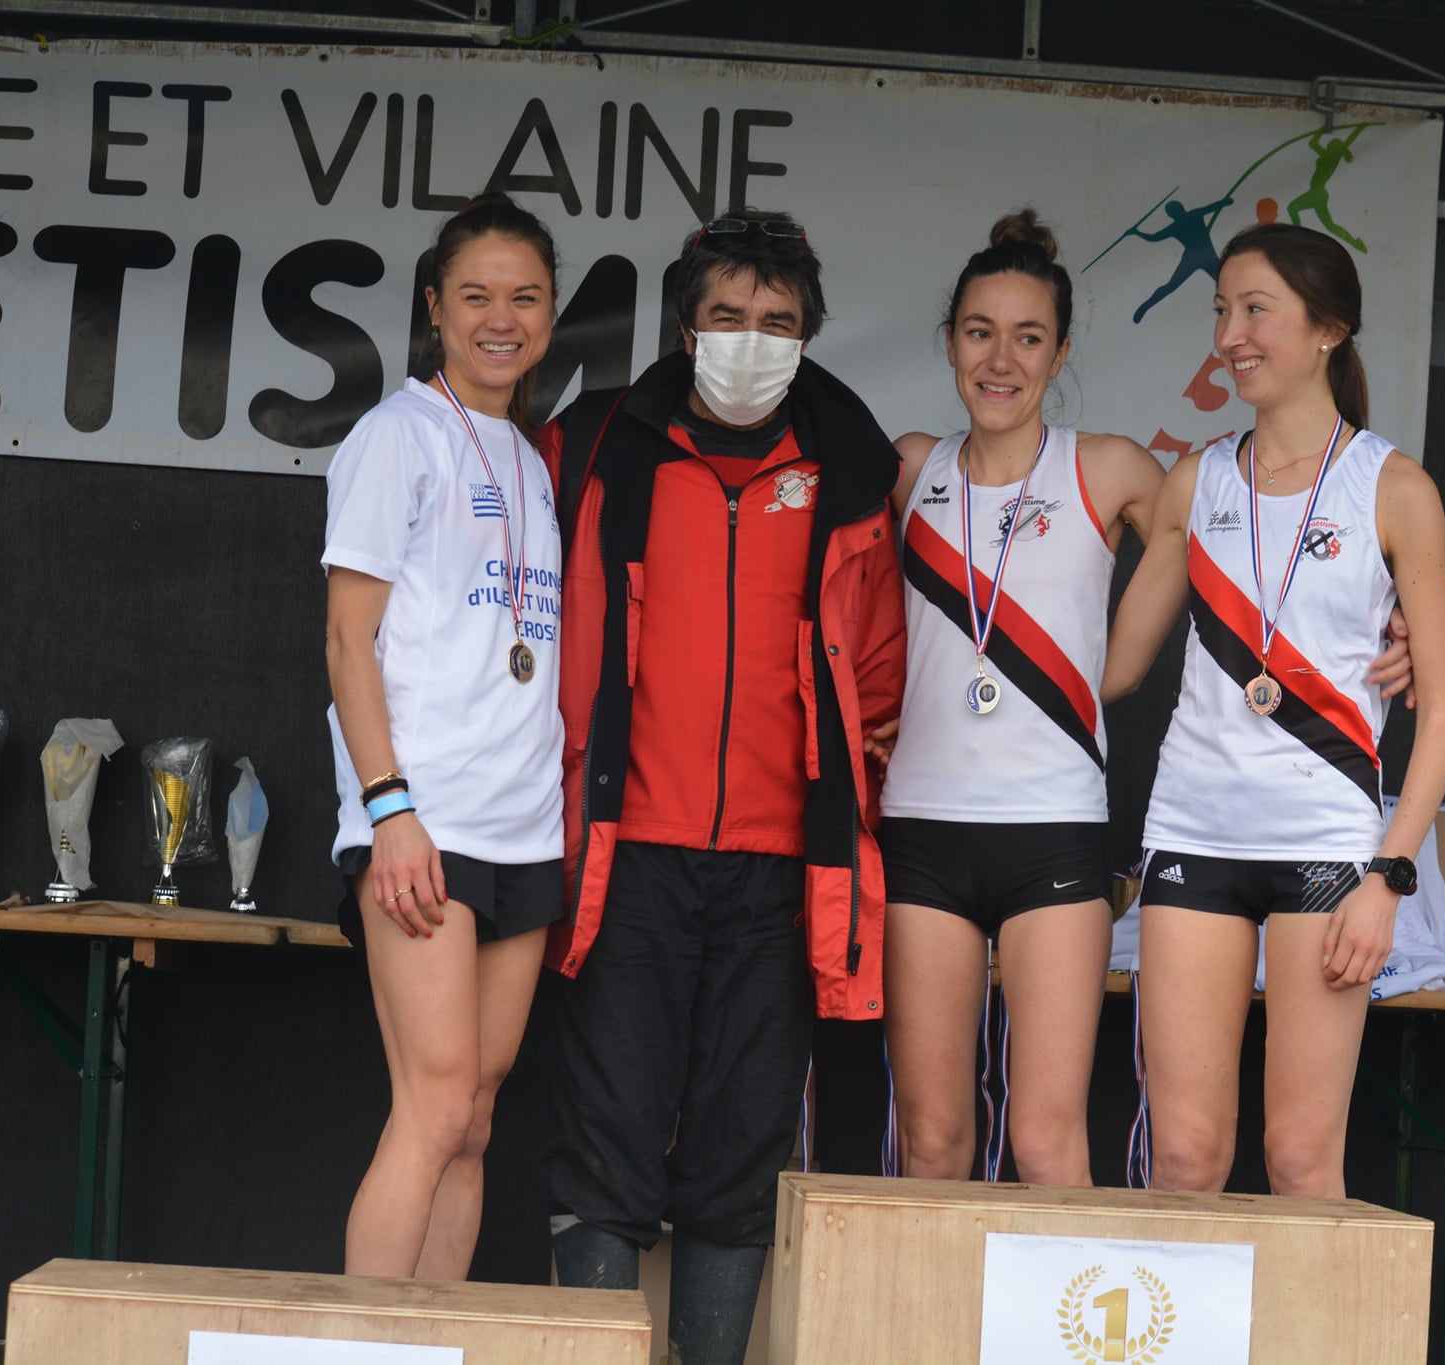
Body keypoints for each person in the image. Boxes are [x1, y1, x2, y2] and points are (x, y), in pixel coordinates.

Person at [538, 209, 905, 1365]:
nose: (752, 340)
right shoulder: (591, 445)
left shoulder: (848, 466)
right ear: (683, 325)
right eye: (728, 318)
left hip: (778, 874)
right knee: (605, 1146)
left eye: (778, 323)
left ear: (809, 336)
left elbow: (880, 675)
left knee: (742, 1155)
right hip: (625, 856)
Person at [1103, 222, 1445, 1199]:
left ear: (1326, 330)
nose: (1229, 333)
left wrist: (1387, 876)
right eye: (1220, 310)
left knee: (1301, 1162)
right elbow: (1109, 669)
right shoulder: (1197, 476)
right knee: (1182, 1160)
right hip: (1192, 836)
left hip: (1326, 850)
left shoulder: (1392, 488)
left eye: (1254, 308)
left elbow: (1443, 715)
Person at [879, 210, 1166, 1187]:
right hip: (919, 826)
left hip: (1051, 830)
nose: (999, 359)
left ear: (1060, 351)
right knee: (933, 1143)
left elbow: (1242, 544)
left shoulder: (1107, 467)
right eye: (977, 332)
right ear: (950, 340)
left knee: (1045, 1144)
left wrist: (1385, 626)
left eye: (1027, 336)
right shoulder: (909, 468)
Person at [322, 193, 565, 1277]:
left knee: (471, 1118)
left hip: (523, 829)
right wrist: (389, 811)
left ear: (552, 314)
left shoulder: (529, 458)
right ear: (434, 309)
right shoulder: (395, 435)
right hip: (426, 820)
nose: (499, 319)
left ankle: (437, 1342)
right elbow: (344, 641)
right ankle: (359, 1352)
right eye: (475, 296)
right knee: (429, 1106)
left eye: (524, 297)